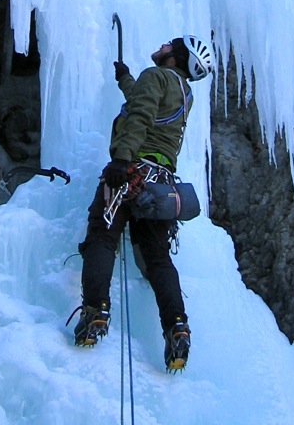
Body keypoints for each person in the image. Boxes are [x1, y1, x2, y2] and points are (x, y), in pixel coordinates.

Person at [72, 35, 214, 372]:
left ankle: (95, 312)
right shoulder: (184, 91)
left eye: (171, 44)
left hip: (132, 171)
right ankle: (177, 326)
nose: (164, 45)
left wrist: (121, 159)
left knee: (102, 237)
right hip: (161, 184)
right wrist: (125, 79)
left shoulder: (157, 76)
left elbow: (140, 115)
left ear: (177, 56)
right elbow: (146, 102)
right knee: (157, 258)